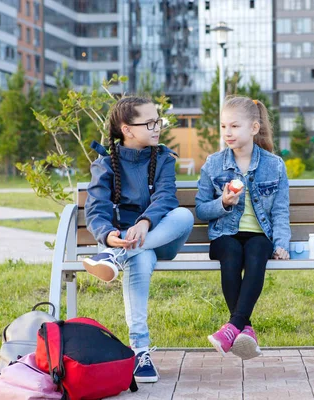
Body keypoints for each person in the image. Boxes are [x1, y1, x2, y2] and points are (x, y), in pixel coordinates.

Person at [83, 96, 194, 383]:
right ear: (127, 129)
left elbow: (166, 197)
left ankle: (115, 258)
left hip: (160, 237)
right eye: (150, 123)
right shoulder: (106, 164)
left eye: (158, 121)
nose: (157, 127)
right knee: (140, 257)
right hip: (125, 241)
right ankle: (140, 351)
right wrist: (108, 235)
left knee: (184, 215)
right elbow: (96, 209)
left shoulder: (163, 159)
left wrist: (145, 222)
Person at [195, 96, 291, 360]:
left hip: (259, 234)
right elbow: (201, 208)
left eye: (235, 126)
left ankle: (233, 327)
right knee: (231, 253)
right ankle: (242, 327)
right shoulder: (213, 164)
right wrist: (223, 203)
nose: (228, 132)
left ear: (254, 128)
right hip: (224, 233)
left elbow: (281, 211)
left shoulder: (274, 165)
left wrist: (281, 244)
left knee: (259, 250)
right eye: (224, 126)